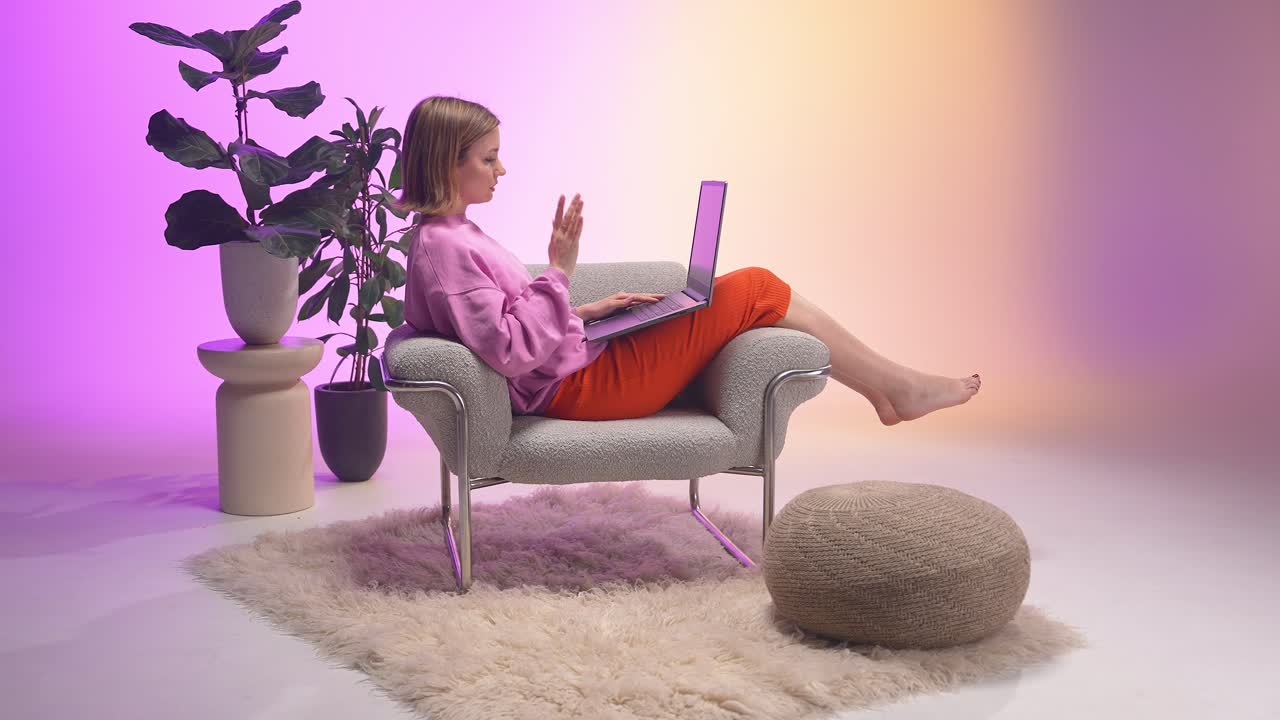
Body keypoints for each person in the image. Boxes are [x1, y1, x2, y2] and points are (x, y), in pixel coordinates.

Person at [394, 95, 981, 423]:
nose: (501, 170)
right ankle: (898, 388)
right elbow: (507, 351)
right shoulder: (447, 248)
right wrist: (560, 271)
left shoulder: (449, 235)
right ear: (449, 162)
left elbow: (509, 323)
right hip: (580, 388)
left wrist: (588, 311)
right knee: (757, 287)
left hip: (578, 364)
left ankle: (885, 392)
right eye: (488, 159)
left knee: (744, 296)